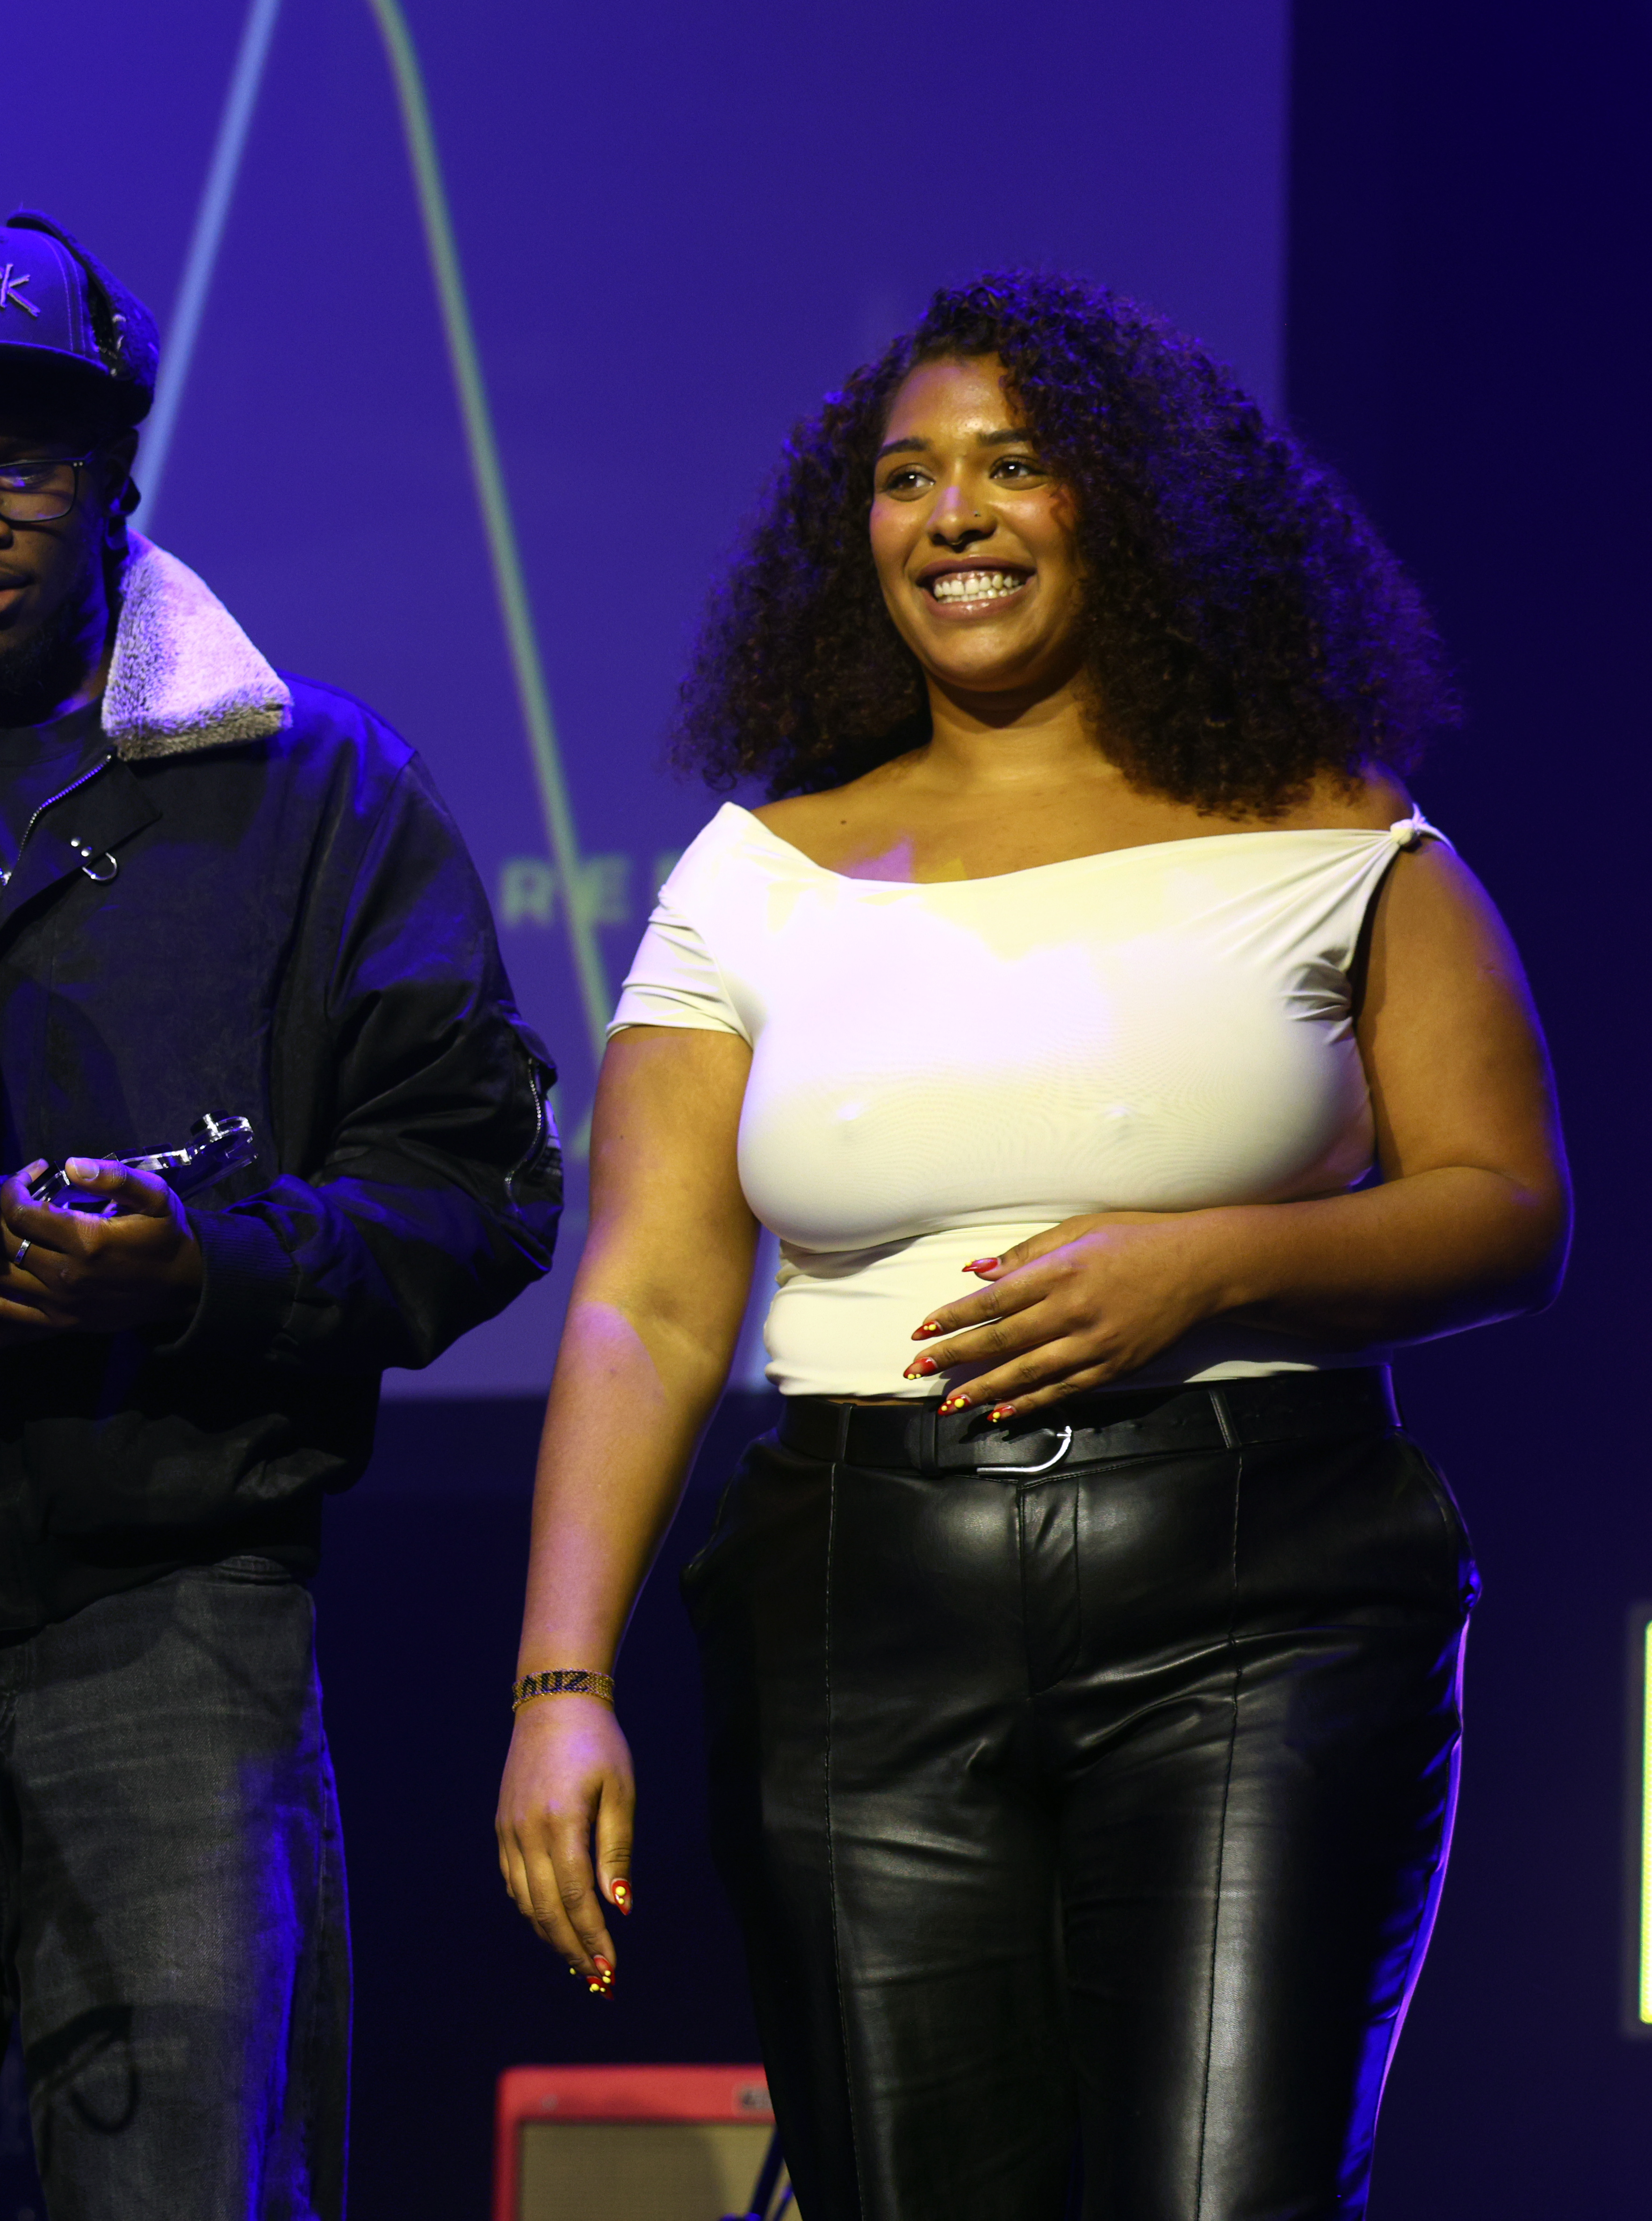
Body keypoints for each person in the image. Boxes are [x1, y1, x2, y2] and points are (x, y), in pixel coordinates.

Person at [493, 271, 1568, 2219]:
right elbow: (646, 1302)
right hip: (855, 1603)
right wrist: (557, 1690)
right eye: (906, 478)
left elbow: (1507, 1211)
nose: (951, 515)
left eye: (1012, 467)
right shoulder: (754, 875)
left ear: (1129, 509)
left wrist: (1211, 1265)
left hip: (1259, 1589)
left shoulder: (1329, 832)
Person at [0, 210, 564, 2219]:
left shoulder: (315, 788)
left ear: (113, 461)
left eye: (17, 461)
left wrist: (197, 1274)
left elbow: (469, 1184)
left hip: (175, 1613)